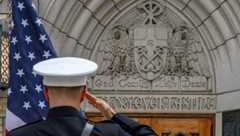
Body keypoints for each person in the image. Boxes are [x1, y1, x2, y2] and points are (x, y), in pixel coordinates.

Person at [10, 57, 158, 136]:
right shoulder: (110, 133)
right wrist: (113, 115)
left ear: (46, 94)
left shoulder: (20, 134)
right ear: (83, 95)